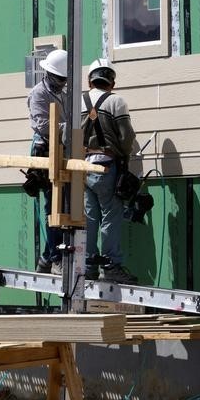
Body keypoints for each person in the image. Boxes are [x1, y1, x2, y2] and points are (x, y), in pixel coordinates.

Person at [80, 58, 138, 284]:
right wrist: (124, 154)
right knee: (111, 217)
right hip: (106, 165)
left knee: (90, 218)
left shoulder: (79, 102)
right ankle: (111, 265)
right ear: (112, 82)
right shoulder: (117, 102)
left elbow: (65, 136)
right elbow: (126, 138)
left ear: (90, 80)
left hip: (83, 167)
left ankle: (88, 266)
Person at [27, 49, 68, 275]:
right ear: (50, 74)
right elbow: (43, 126)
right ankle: (54, 259)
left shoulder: (65, 93)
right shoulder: (39, 94)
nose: (63, 83)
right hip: (44, 150)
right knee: (52, 205)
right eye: (60, 79)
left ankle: (46, 257)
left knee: (61, 206)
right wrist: (70, 129)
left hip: (62, 149)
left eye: (65, 79)